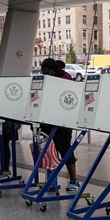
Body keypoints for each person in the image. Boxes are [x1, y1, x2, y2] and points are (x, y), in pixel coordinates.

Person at [39, 58, 79, 191]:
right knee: (48, 148)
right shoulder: (47, 79)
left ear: (53, 70)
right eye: (42, 73)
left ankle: (74, 179)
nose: (44, 75)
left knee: (64, 148)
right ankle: (52, 180)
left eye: (46, 72)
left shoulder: (65, 78)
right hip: (49, 118)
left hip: (64, 120)